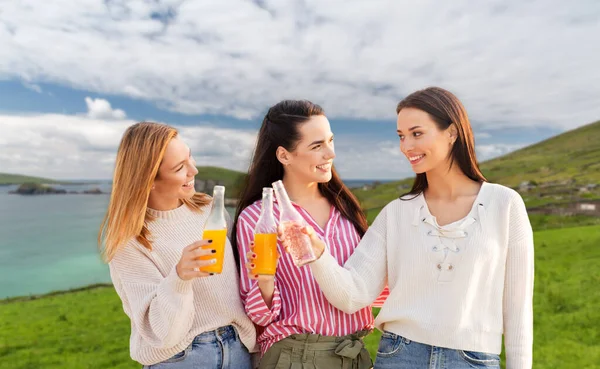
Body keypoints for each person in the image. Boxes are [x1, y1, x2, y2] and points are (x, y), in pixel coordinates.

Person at [301, 87, 534, 369]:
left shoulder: (505, 204)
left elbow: (518, 310)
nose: (405, 146)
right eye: (401, 136)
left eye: (416, 133)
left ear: (451, 132)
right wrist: (316, 253)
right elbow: (353, 295)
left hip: (473, 360)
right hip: (400, 356)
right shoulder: (396, 213)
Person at [232, 100, 383, 369]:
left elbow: (369, 287)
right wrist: (265, 282)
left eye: (330, 141)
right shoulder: (257, 218)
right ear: (284, 155)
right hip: (295, 357)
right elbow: (258, 315)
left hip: (354, 354)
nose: (330, 153)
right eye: (317, 146)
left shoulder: (346, 210)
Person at [99, 122, 256, 369]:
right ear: (148, 180)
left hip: (238, 350)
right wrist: (180, 278)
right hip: (181, 359)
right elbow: (163, 334)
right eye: (180, 167)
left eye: (190, 157)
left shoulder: (208, 209)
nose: (194, 170)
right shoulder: (128, 242)